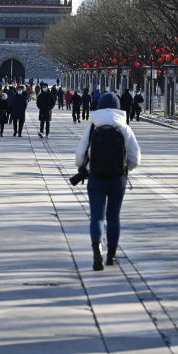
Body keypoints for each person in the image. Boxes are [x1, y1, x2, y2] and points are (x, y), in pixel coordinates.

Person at [74, 92, 141, 270]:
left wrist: (85, 168)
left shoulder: (92, 127)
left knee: (96, 216)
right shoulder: (124, 128)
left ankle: (97, 250)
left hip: (95, 177)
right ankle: (111, 255)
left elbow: (79, 158)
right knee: (113, 216)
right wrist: (125, 170)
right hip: (117, 179)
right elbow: (136, 158)